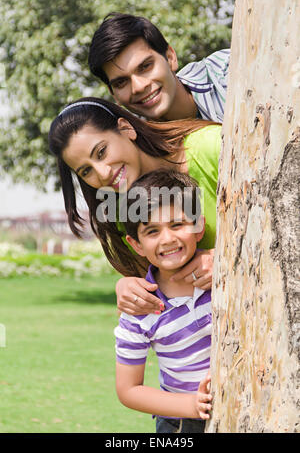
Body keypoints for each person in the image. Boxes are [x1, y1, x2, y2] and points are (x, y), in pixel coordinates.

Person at [48, 97, 221, 316]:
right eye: (86, 171)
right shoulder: (124, 212)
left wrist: (224, 259)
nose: (102, 174)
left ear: (126, 128)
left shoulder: (211, 147)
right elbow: (167, 294)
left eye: (101, 152)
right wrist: (130, 286)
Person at [114, 168, 212, 433]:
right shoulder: (139, 308)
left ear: (198, 226)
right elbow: (128, 389)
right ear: (136, 244)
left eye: (177, 225)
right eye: (152, 231)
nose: (167, 239)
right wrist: (192, 405)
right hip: (179, 422)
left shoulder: (223, 279)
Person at [88, 12, 230, 123]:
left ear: (170, 58)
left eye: (145, 67)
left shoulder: (228, 70)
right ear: (114, 95)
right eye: (121, 82)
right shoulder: (139, 151)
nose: (138, 87)